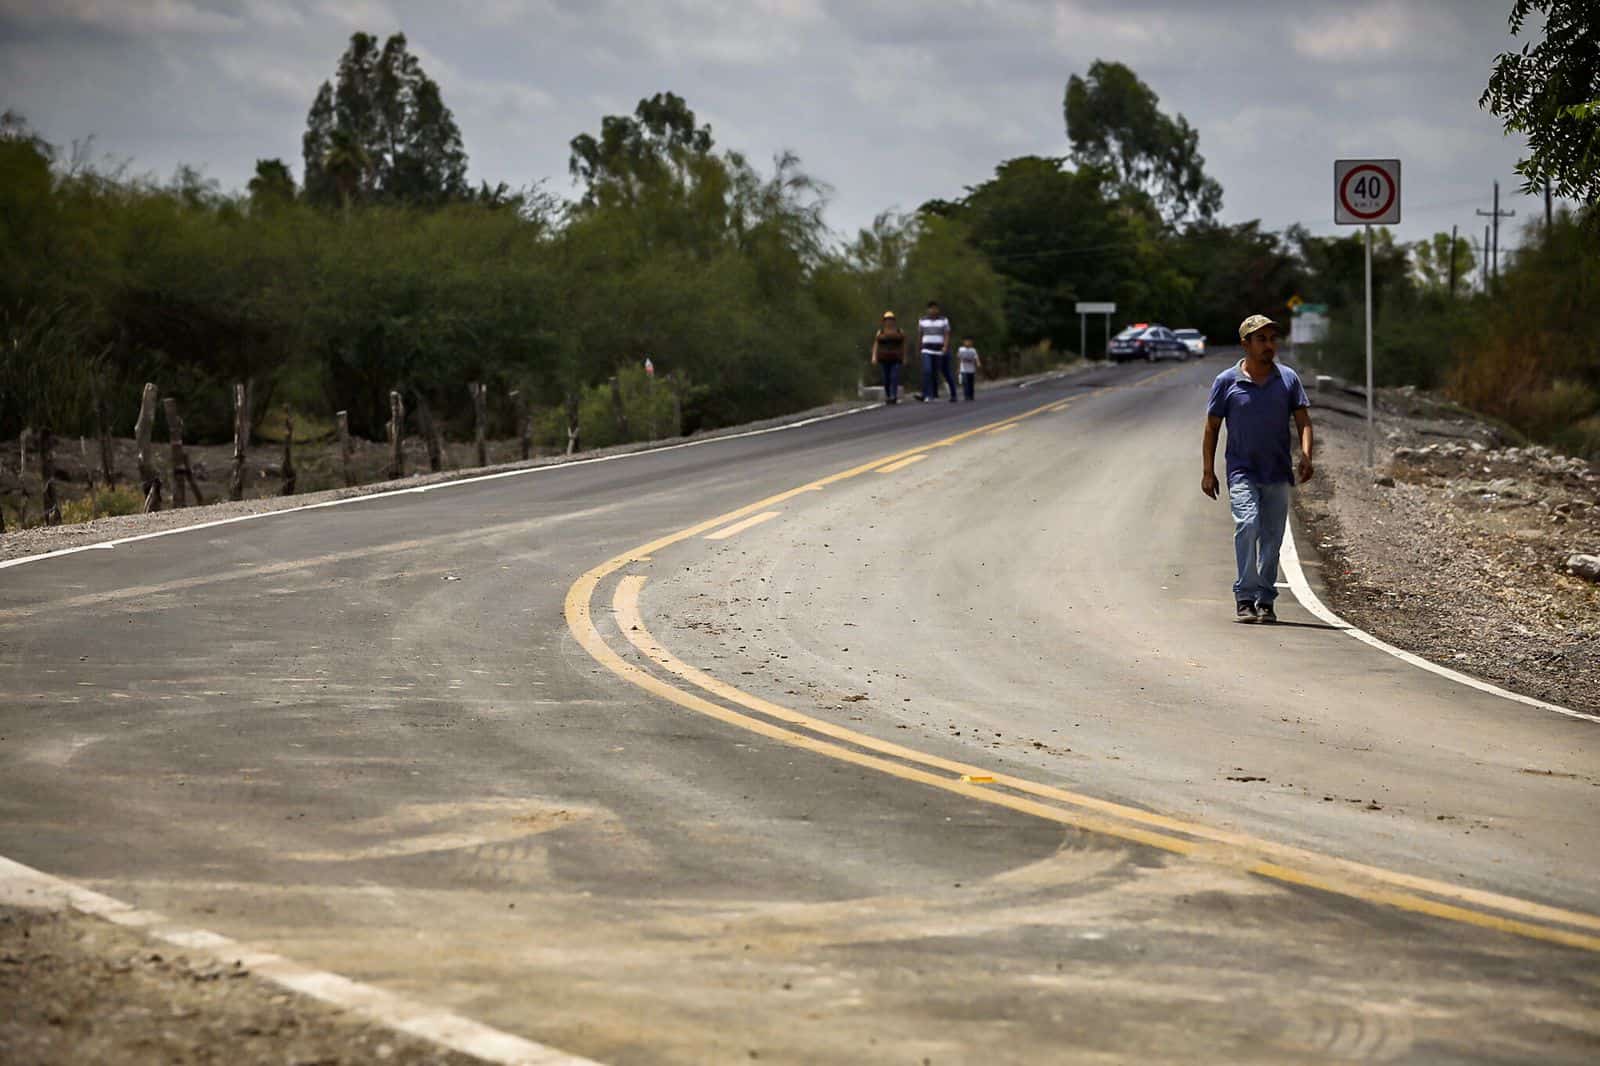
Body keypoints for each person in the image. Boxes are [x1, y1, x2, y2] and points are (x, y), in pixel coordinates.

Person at [1201, 314, 1314, 624]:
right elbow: (1212, 427)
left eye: (1272, 339)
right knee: (1247, 525)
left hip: (1277, 471)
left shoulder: (1288, 379)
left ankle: (1266, 599)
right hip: (1242, 470)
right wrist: (1208, 471)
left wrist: (1306, 455)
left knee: (1272, 539)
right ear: (1245, 344)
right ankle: (1245, 595)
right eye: (1261, 339)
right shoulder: (1227, 382)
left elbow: (1303, 421)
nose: (1269, 345)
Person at [916, 301, 954, 402]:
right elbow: (920, 335)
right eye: (931, 308)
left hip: (938, 349)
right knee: (927, 370)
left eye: (935, 308)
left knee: (935, 372)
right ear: (927, 310)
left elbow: (947, 334)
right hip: (926, 349)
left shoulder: (943, 320)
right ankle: (926, 394)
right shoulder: (922, 321)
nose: (933, 310)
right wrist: (919, 348)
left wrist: (945, 346)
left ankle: (934, 393)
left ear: (938, 309)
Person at [870, 311, 906, 404]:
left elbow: (903, 345)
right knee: (886, 378)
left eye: (890, 319)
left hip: (896, 358)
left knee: (894, 377)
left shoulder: (899, 331)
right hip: (884, 358)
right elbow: (876, 345)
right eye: (887, 320)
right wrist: (874, 356)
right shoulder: (880, 332)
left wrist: (904, 356)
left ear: (894, 321)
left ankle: (893, 395)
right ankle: (888, 395)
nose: (889, 321)